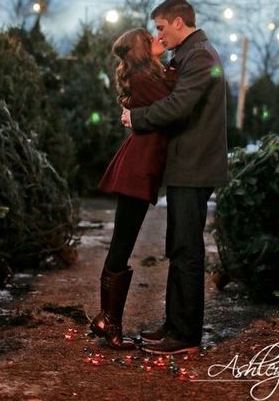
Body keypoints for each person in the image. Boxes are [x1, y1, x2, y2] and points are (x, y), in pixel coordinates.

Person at [121, 0, 228, 354]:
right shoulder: (190, 55)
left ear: (179, 22)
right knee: (179, 247)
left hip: (194, 166)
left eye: (162, 27)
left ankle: (184, 336)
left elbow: (178, 105)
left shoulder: (200, 57)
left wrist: (137, 118)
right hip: (187, 164)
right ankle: (174, 325)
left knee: (187, 249)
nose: (159, 35)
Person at [90, 27, 176, 350]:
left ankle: (106, 318)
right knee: (122, 243)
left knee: (122, 243)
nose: (155, 39)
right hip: (136, 170)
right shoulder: (143, 79)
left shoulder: (146, 77)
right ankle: (109, 322)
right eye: (148, 37)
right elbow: (174, 103)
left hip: (139, 168)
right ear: (140, 48)